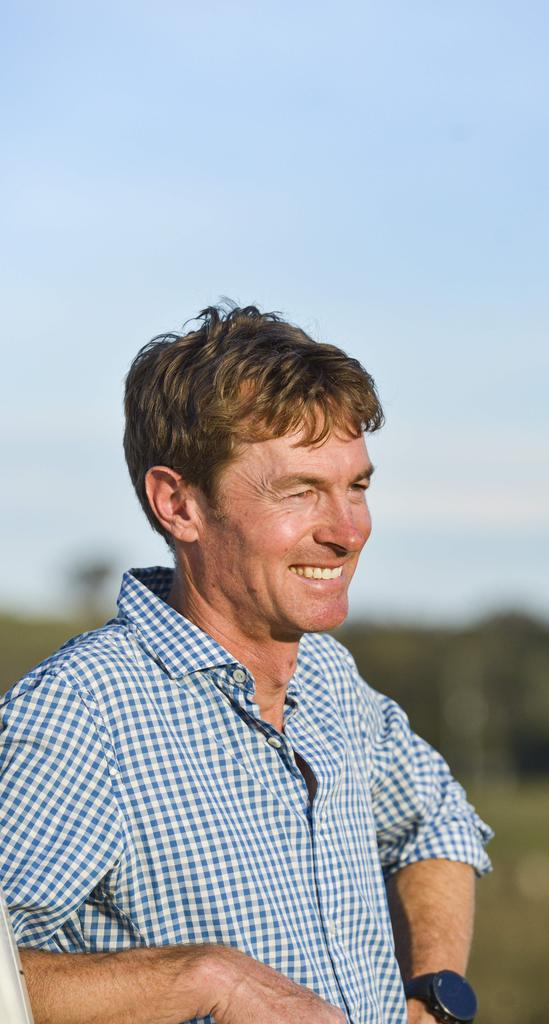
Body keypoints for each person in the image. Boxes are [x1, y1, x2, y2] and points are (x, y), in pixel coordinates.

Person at [0, 305, 492, 1024]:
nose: (348, 531)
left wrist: (434, 998)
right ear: (179, 504)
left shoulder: (329, 680)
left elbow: (436, 820)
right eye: (300, 491)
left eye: (355, 486)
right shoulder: (80, 715)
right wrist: (205, 979)